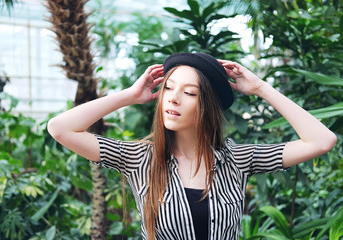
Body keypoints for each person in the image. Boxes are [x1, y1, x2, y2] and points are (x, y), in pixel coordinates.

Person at [47, 52, 337, 240]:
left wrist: (261, 88)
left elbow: (322, 140)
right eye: (169, 89)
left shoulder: (236, 159)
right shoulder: (139, 159)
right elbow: (59, 128)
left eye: (188, 92)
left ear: (206, 106)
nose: (173, 99)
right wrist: (130, 96)